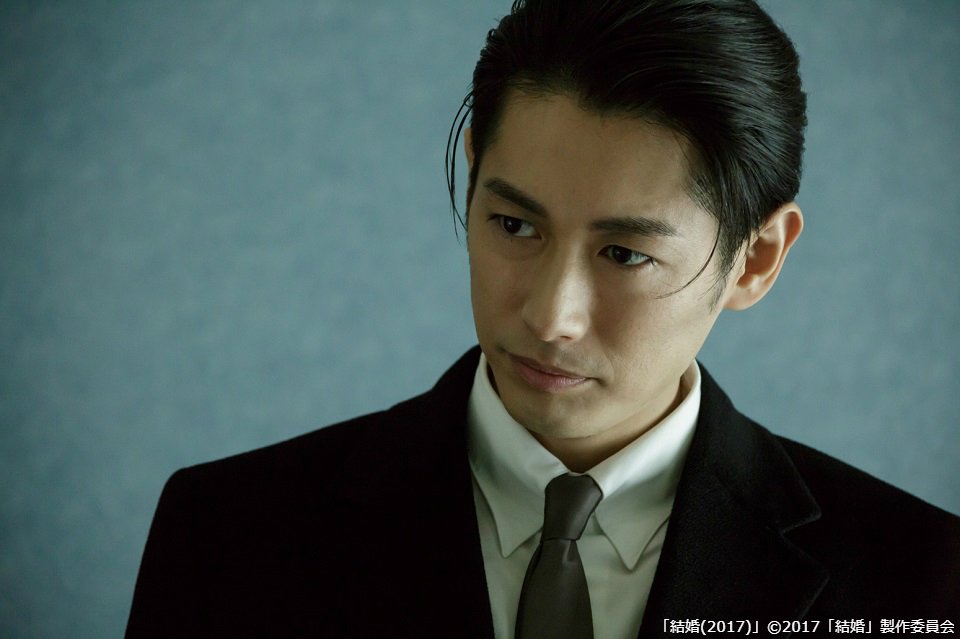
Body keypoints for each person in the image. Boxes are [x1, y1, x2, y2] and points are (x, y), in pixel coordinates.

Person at [125, 1, 960, 637]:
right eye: (514, 225)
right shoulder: (228, 533)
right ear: (472, 178)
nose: (550, 315)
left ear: (756, 260)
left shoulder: (923, 577)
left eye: (625, 253)